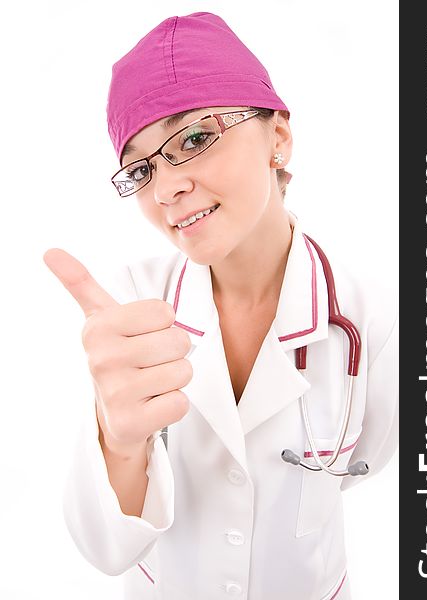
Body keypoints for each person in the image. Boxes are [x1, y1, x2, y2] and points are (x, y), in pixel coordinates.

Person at [43, 11, 398, 600]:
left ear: (278, 138)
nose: (166, 189)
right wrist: (120, 438)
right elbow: (108, 548)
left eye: (195, 139)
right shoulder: (130, 307)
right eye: (141, 168)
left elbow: (363, 464)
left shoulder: (372, 319)